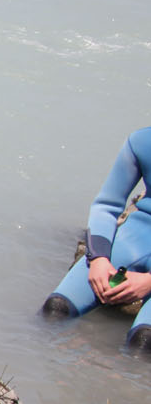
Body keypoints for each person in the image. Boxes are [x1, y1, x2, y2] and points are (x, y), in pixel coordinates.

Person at [42, 126, 151, 351]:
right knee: (55, 310)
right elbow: (107, 206)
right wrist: (99, 259)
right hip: (135, 238)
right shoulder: (142, 142)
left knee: (144, 341)